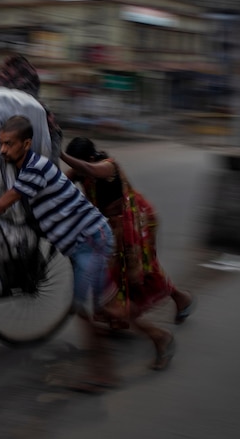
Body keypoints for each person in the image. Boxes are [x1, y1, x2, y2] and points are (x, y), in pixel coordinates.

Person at [0, 115, 121, 393]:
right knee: (98, 307)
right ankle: (138, 330)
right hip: (81, 241)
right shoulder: (25, 168)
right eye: (0, 144)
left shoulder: (35, 169)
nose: (2, 151)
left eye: (8, 144)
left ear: (27, 143)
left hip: (91, 241)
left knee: (86, 311)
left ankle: (106, 373)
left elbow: (0, 205)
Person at [61, 136, 195, 370]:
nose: (76, 169)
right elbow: (63, 181)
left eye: (77, 163)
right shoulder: (80, 169)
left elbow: (89, 169)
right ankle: (132, 319)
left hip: (135, 223)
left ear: (91, 157)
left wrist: (61, 155)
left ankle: (178, 301)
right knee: (119, 279)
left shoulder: (107, 165)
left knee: (143, 273)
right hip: (110, 228)